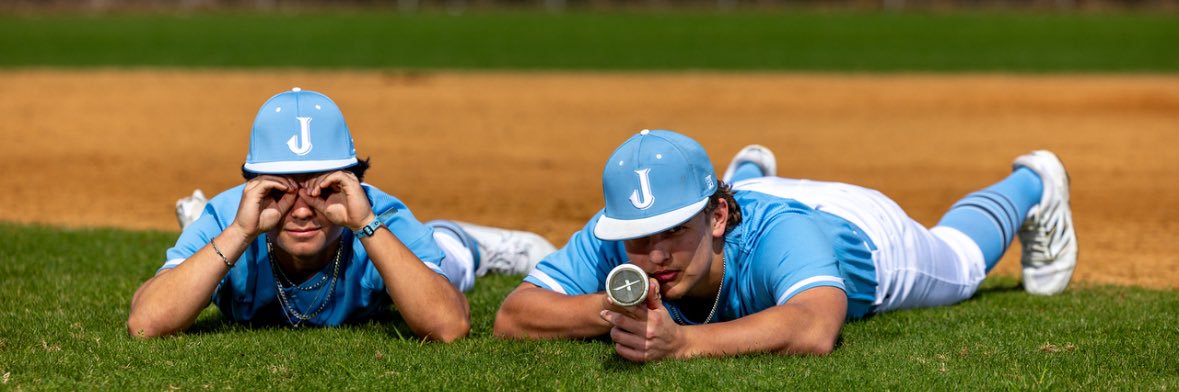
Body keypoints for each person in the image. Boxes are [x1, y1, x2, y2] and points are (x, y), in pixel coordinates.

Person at [494, 129, 1077, 362]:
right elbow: (514, 316)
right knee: (720, 211)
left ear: (715, 216)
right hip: (743, 197)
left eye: (674, 229)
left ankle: (1034, 182)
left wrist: (681, 344)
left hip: (852, 230)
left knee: (962, 261)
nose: (655, 254)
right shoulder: (621, 229)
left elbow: (816, 326)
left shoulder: (781, 234)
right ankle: (745, 170)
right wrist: (615, 309)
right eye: (639, 238)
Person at [128, 88, 555, 340]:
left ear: (351, 182)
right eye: (282, 189)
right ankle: (197, 255)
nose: (301, 209)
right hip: (227, 237)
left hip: (394, 251)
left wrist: (366, 225)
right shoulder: (228, 217)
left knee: (449, 263)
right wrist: (240, 234)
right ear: (253, 187)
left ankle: (460, 241)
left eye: (321, 187)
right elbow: (146, 324)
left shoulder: (376, 213)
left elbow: (448, 326)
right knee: (201, 267)